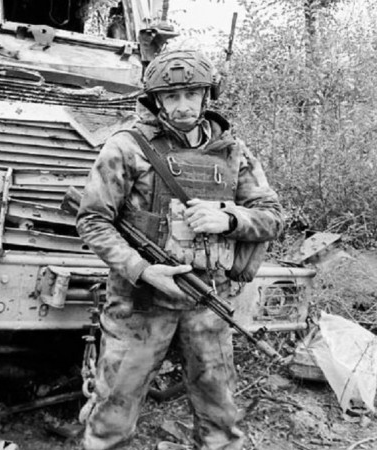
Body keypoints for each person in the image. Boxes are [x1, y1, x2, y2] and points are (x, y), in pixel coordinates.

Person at [76, 48, 283, 450]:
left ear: (207, 96)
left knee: (221, 417)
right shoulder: (127, 147)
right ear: (156, 100)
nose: (183, 105)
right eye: (172, 96)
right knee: (112, 416)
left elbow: (273, 217)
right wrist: (142, 269)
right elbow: (93, 220)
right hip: (139, 304)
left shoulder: (232, 152)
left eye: (192, 94)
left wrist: (229, 219)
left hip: (207, 303)